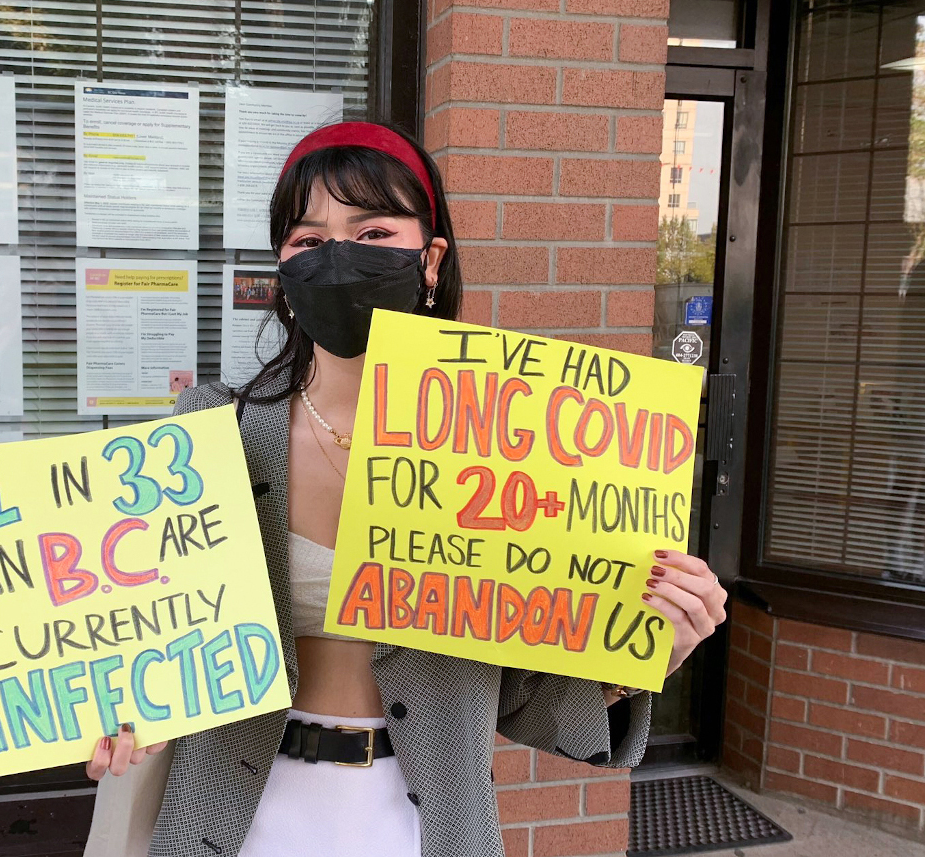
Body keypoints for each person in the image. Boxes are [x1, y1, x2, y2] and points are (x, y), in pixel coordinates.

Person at [85, 122, 728, 857]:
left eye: (372, 230)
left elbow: (525, 699)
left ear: (430, 259)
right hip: (230, 818)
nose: (336, 257)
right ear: (282, 269)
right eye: (306, 240)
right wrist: (116, 705)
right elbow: (144, 652)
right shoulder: (209, 432)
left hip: (423, 824)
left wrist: (647, 650)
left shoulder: (509, 453)